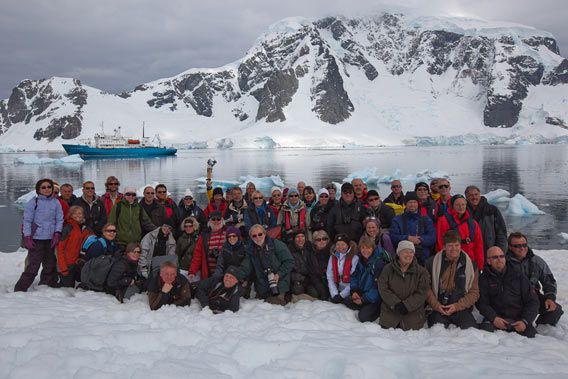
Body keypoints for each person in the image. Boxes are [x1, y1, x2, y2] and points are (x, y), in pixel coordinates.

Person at [478, 247, 539, 338]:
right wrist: (493, 318)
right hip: (496, 319)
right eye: (495, 257)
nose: (499, 259)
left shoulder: (518, 275)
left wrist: (525, 321)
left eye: (502, 256)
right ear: (488, 261)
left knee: (531, 338)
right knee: (485, 337)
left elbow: (532, 301)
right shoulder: (483, 279)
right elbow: (481, 303)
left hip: (518, 319)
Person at [15, 178, 64, 291]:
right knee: (33, 266)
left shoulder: (56, 202)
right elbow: (27, 221)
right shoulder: (33, 202)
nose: (47, 189)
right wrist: (27, 236)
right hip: (36, 239)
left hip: (50, 239)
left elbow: (59, 219)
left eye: (49, 187)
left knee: (49, 264)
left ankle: (44, 286)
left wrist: (57, 233)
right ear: (38, 190)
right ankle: (20, 289)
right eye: (43, 187)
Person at [506, 232, 563, 326]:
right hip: (512, 300)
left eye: (524, 245)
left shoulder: (536, 261)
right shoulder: (504, 262)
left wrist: (550, 298)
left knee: (555, 310)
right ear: (510, 247)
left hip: (533, 297)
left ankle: (542, 328)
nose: (522, 248)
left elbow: (549, 281)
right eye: (517, 246)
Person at [425, 231, 479, 329]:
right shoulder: (431, 263)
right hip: (439, 308)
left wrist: (457, 306)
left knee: (470, 332)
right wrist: (436, 305)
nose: (454, 249)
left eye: (456, 245)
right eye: (450, 245)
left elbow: (474, 292)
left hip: (461, 308)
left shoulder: (471, 265)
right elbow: (426, 288)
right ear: (444, 247)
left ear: (460, 246)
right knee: (437, 333)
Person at [377, 241, 430, 330]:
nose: (408, 255)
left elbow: (422, 292)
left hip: (413, 313)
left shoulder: (422, 272)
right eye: (405, 251)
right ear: (398, 253)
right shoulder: (388, 269)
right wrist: (396, 303)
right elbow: (383, 287)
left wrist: (407, 305)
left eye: (411, 252)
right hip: (391, 311)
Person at [238, 224, 294, 305]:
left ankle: (290, 297)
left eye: (260, 234)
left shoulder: (276, 244)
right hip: (262, 287)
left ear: (264, 234)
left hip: (279, 284)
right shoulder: (250, 250)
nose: (258, 237)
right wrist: (235, 275)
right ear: (251, 238)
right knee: (258, 307)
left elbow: (289, 261)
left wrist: (278, 275)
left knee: (272, 305)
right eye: (254, 236)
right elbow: (245, 267)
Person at [436, 194, 484, 269]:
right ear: (452, 206)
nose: (461, 207)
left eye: (463, 204)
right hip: (450, 261)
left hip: (469, 261)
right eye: (457, 205)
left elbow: (478, 246)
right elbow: (440, 242)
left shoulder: (472, 223)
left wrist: (480, 266)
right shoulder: (443, 220)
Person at [390, 191, 436, 265]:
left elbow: (432, 237)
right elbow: (393, 237)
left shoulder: (426, 219)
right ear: (405, 204)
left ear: (418, 203)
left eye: (414, 202)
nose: (412, 205)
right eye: (410, 202)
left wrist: (420, 240)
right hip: (403, 256)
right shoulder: (397, 220)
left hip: (423, 256)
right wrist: (408, 238)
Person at [348, 236, 386, 322]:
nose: (365, 251)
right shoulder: (361, 260)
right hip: (362, 293)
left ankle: (378, 310)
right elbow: (354, 276)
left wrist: (364, 299)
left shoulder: (378, 263)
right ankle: (362, 304)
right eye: (363, 248)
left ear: (373, 248)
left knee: (363, 317)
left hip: (375, 298)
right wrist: (354, 291)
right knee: (347, 301)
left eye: (368, 248)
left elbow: (379, 287)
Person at [465, 185, 507, 256]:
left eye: (476, 194)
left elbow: (501, 233)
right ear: (466, 197)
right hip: (470, 253)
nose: (474, 197)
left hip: (489, 252)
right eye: (471, 195)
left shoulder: (492, 210)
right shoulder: (463, 212)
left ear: (480, 195)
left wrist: (500, 253)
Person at [56, 205, 92, 287]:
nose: (78, 215)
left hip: (78, 262)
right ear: (71, 215)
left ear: (83, 215)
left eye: (80, 213)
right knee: (67, 287)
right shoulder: (68, 228)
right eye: (75, 213)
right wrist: (63, 267)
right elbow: (60, 249)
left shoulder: (86, 228)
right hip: (67, 264)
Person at [288, 230, 327, 300]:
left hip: (310, 280)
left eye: (302, 236)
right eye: (297, 237)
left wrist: (310, 278)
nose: (300, 239)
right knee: (298, 290)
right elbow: (289, 272)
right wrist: (302, 278)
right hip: (298, 280)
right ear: (294, 239)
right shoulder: (290, 251)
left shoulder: (310, 248)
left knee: (315, 294)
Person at [189, 211, 227, 282]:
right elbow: (197, 255)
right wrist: (192, 271)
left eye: (218, 219)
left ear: (222, 220)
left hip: (226, 273)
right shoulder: (204, 236)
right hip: (209, 274)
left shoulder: (229, 233)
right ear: (210, 221)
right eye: (213, 219)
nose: (216, 221)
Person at [326, 234, 359, 305]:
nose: (340, 247)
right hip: (338, 288)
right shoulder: (332, 257)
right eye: (338, 244)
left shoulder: (354, 258)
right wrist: (334, 294)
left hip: (350, 289)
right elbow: (330, 276)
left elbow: (354, 279)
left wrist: (342, 295)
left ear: (348, 245)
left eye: (343, 244)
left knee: (347, 302)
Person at [311, 229, 331, 300]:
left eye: (324, 239)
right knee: (323, 294)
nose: (322, 241)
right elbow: (312, 272)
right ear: (314, 242)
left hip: (330, 278)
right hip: (317, 278)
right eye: (318, 239)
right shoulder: (311, 253)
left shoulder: (332, 251)